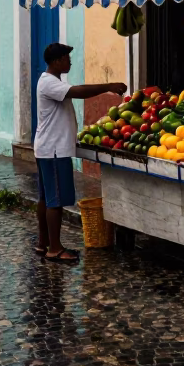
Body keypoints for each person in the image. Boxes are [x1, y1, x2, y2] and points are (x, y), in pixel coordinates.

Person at [33, 43, 125, 264]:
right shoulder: (49, 83)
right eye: (66, 58)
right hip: (54, 150)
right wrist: (108, 86)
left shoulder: (50, 82)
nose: (69, 61)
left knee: (46, 198)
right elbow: (78, 92)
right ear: (56, 62)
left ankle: (43, 243)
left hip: (47, 148)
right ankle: (55, 249)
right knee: (55, 201)